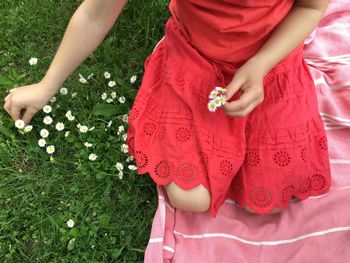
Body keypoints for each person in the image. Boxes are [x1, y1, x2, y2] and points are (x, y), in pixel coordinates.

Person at [3, 0, 331, 218]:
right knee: (191, 199)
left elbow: (311, 7)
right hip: (194, 58)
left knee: (275, 202)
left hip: (272, 63)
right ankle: (166, 66)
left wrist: (261, 64)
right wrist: (46, 87)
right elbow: (94, 14)